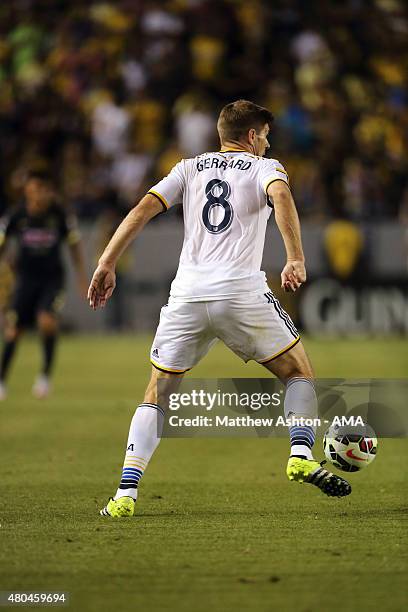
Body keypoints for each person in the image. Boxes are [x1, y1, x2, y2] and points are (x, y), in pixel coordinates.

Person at [88, 100, 351, 518]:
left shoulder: (188, 167)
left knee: (156, 394)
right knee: (298, 372)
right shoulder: (266, 168)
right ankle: (300, 452)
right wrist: (295, 257)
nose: (267, 143)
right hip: (241, 292)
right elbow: (280, 196)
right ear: (251, 136)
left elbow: (141, 210)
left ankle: (125, 494)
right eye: (264, 135)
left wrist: (105, 262)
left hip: (187, 296)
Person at [0, 170, 88, 399]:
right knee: (13, 331)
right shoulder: (16, 215)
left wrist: (81, 277)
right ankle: (2, 380)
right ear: (27, 190)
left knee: (47, 322)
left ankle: (45, 377)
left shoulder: (59, 215)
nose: (41, 194)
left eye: (45, 189)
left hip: (52, 279)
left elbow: (74, 246)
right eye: (37, 188)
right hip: (25, 280)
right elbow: (3, 244)